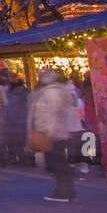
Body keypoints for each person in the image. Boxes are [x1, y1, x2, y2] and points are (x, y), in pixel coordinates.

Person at [28, 69, 81, 202]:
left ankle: (63, 192)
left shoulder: (50, 92)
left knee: (57, 162)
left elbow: (51, 114)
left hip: (52, 133)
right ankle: (65, 191)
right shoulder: (57, 90)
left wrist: (47, 132)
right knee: (58, 162)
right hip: (57, 132)